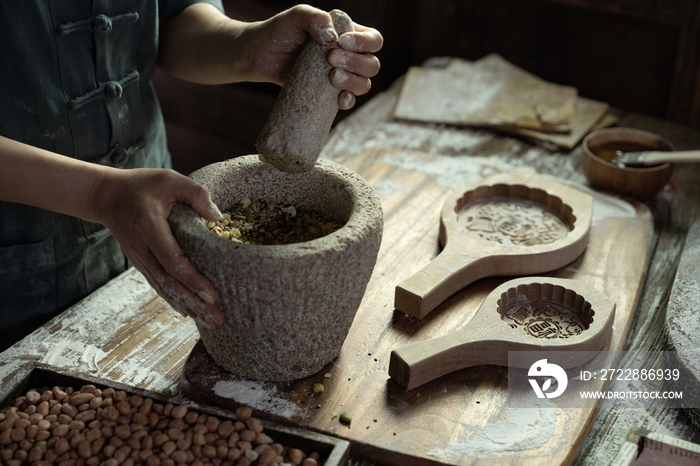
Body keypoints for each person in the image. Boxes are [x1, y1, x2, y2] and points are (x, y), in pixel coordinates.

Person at [0, 1, 383, 351]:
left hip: (147, 219)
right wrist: (99, 192)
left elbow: (170, 16)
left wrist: (248, 47)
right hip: (18, 274)